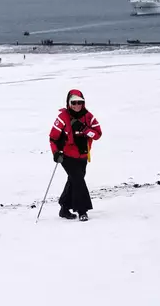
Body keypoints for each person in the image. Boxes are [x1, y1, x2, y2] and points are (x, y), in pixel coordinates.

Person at [49, 89, 102, 222]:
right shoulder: (63, 117)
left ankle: (64, 207)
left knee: (74, 180)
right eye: (74, 102)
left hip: (83, 155)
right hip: (67, 156)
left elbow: (97, 135)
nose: (77, 105)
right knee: (78, 180)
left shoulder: (88, 116)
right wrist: (56, 153)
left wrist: (85, 129)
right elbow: (53, 138)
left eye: (80, 102)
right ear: (68, 103)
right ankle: (82, 210)